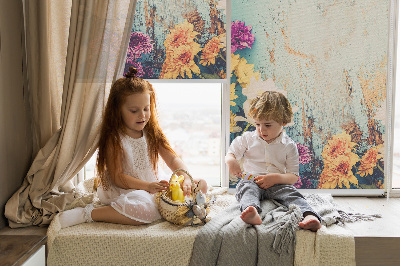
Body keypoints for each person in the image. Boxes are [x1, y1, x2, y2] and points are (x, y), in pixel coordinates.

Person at [59, 67, 207, 228]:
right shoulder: (114, 138)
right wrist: (148, 186)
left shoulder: (151, 132)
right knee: (146, 210)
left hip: (152, 184)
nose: (142, 115)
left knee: (201, 184)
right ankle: (88, 214)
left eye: (146, 108)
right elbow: (118, 178)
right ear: (118, 111)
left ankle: (179, 207)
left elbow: (172, 159)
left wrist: (185, 176)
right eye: (134, 111)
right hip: (126, 189)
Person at [225, 91, 321, 231]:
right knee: (247, 190)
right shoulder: (248, 139)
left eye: (267, 125)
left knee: (292, 194)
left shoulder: (289, 145)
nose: (261, 130)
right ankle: (251, 211)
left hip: (277, 184)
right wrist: (231, 161)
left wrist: (275, 178)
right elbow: (230, 154)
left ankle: (309, 216)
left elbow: (293, 176)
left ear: (283, 122)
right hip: (252, 180)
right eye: (257, 124)